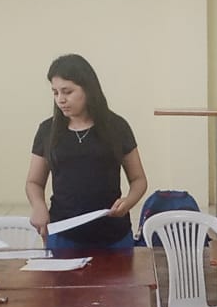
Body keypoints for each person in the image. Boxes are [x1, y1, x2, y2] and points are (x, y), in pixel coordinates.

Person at [25, 53, 148, 254]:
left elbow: (139, 179)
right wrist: (38, 206)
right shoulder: (48, 130)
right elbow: (34, 182)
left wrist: (128, 202)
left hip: (113, 235)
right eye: (55, 93)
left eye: (67, 92)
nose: (61, 99)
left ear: (88, 89)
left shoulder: (117, 127)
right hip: (64, 234)